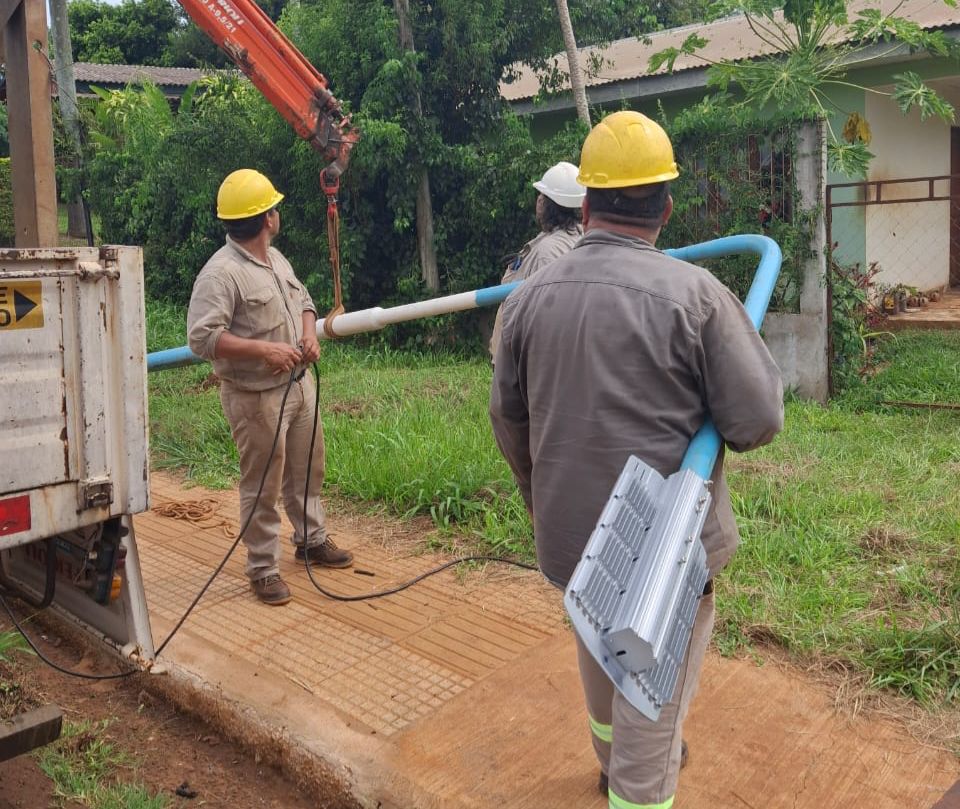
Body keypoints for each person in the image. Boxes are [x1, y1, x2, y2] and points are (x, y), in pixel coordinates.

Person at [489, 111, 784, 807]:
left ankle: (605, 757)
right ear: (668, 207)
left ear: (586, 205)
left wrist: (542, 497)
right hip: (665, 559)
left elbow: (507, 417)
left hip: (570, 538)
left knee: (596, 642)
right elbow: (757, 419)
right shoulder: (698, 298)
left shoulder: (528, 299)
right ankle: (635, 789)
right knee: (651, 707)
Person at [187, 169, 354, 607]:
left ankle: (311, 539)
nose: (278, 214)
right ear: (267, 218)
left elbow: (303, 302)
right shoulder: (220, 275)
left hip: (298, 388)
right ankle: (263, 568)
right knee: (262, 483)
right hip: (255, 397)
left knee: (306, 468)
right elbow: (202, 339)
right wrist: (265, 351)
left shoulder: (275, 260)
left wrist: (309, 333)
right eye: (273, 208)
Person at [488, 161, 586, 360]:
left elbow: (544, 319)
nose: (538, 201)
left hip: (522, 361)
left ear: (547, 203)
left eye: (541, 196)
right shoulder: (578, 237)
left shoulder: (547, 252)